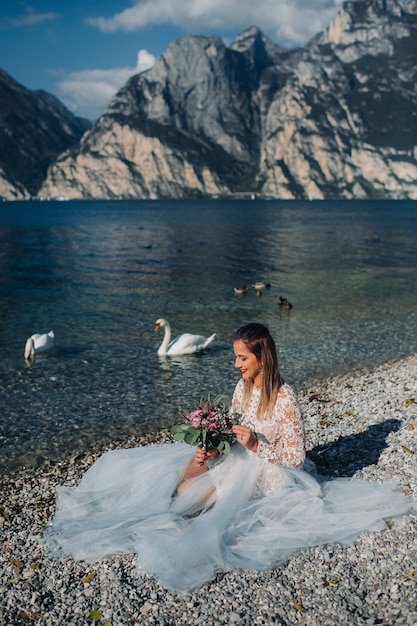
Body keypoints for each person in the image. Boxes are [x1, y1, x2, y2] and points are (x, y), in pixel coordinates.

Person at [44, 323, 416, 593]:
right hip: (239, 458)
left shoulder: (286, 397)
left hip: (269, 473)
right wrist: (214, 447)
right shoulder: (242, 387)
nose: (236, 364)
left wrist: (256, 445)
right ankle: (147, 512)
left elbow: (297, 457)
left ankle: (151, 525)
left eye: (242, 357)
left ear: (261, 357)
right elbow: (231, 430)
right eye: (236, 357)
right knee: (183, 472)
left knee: (191, 496)